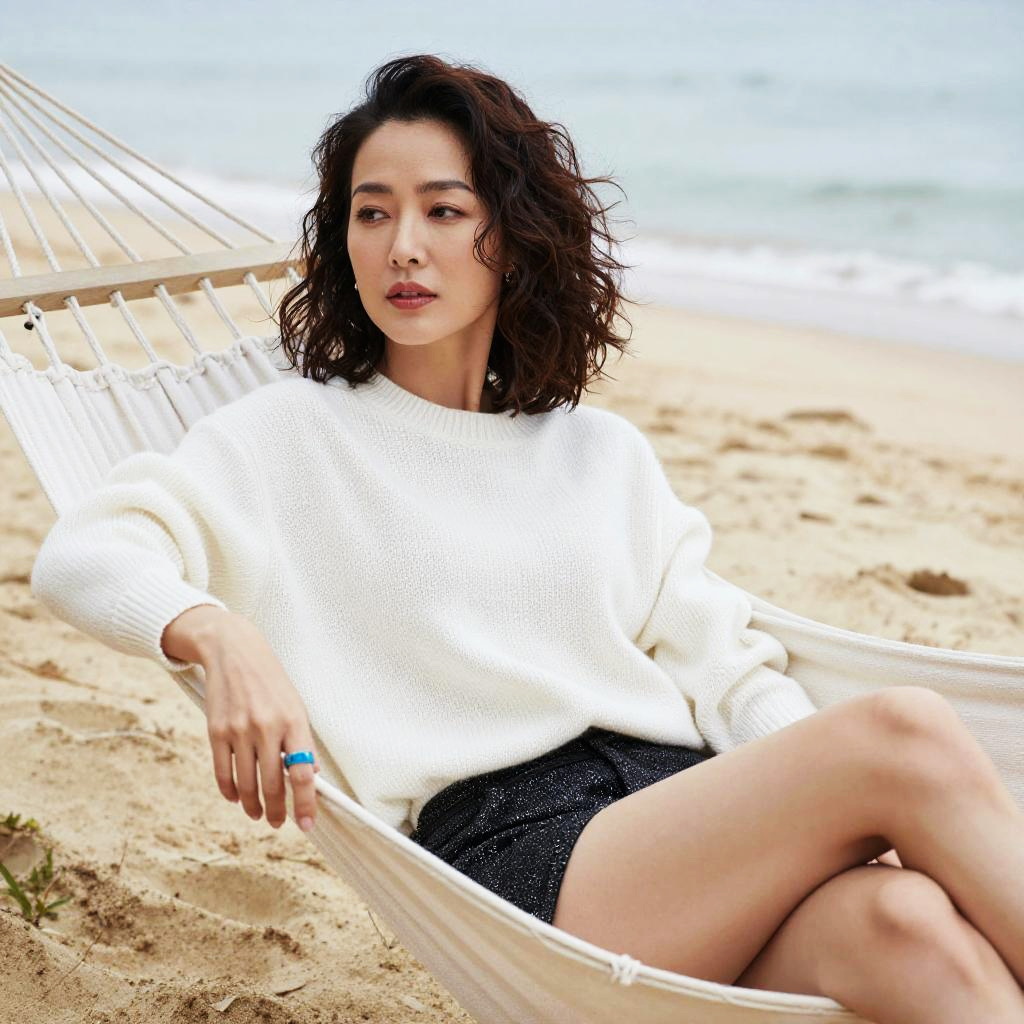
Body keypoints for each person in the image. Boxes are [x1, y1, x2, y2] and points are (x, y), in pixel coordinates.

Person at [29, 54, 1024, 1022]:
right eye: (370, 212)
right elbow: (84, 553)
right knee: (902, 732)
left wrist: (837, 825)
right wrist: (217, 631)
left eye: (442, 209)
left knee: (904, 922)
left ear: (512, 236)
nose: (401, 245)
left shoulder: (601, 455)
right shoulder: (290, 434)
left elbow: (734, 678)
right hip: (527, 862)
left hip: (687, 824)